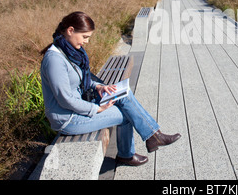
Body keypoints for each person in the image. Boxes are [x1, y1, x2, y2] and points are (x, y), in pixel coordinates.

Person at [40, 12, 181, 166]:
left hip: (80, 104)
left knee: (121, 94)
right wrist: (97, 109)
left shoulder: (68, 51)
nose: (86, 41)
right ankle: (128, 154)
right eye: (85, 36)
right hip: (69, 119)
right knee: (126, 114)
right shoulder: (54, 60)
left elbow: (79, 78)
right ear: (70, 30)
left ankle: (154, 135)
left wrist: (99, 86)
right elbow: (65, 99)